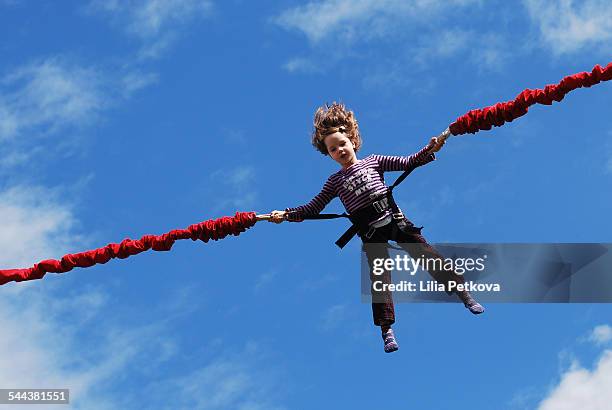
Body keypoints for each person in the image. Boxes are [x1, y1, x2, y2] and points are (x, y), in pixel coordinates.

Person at [269, 102, 484, 353]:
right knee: (380, 280)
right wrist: (286, 214)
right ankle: (386, 329)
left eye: (342, 144)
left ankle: (464, 295)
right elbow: (312, 208)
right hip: (371, 233)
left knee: (428, 256)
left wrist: (430, 149)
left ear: (352, 140)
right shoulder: (334, 182)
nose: (339, 150)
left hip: (394, 221)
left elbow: (409, 162)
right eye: (332, 149)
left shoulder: (374, 161)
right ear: (328, 155)